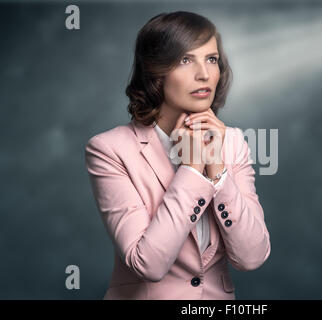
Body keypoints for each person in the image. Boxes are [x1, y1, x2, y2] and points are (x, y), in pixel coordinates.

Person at [84, 11, 270, 300]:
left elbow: (252, 257)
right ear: (155, 72)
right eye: (185, 60)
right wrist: (194, 167)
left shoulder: (233, 142)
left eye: (211, 59)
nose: (204, 74)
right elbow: (147, 263)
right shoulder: (108, 149)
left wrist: (217, 169)